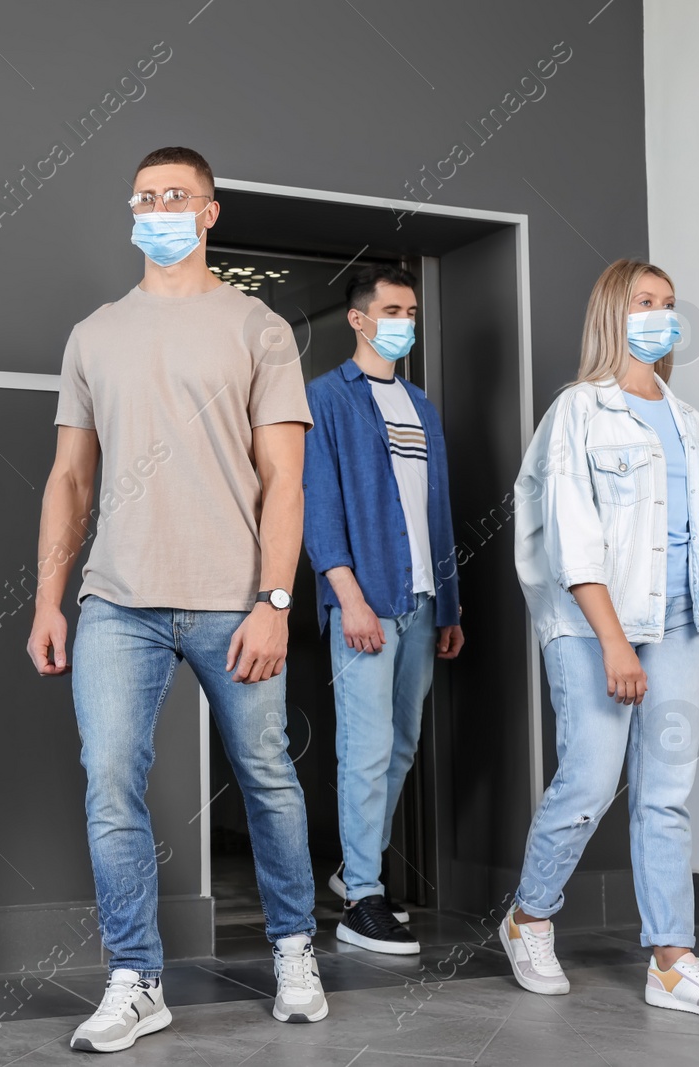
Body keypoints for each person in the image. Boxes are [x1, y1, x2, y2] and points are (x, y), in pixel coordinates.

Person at [28, 146, 328, 1053]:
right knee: (111, 780)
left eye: (176, 196)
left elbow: (286, 480)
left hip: (234, 599)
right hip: (117, 599)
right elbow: (69, 480)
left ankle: (293, 948)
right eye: (144, 196)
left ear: (209, 212)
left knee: (269, 777)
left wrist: (275, 600)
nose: (158, 207)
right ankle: (137, 977)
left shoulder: (258, 329)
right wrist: (50, 598)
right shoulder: (93, 334)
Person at [499, 258, 699, 1023]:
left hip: (679, 625)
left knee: (667, 792)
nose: (660, 314)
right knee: (588, 776)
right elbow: (572, 540)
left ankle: (672, 960)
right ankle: (530, 916)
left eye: (669, 303)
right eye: (644, 301)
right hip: (590, 626)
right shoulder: (578, 411)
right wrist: (613, 641)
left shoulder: (694, 425)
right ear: (613, 313)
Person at [301, 265, 463, 956]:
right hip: (364, 605)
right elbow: (318, 504)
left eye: (412, 310)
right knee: (363, 751)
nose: (405, 321)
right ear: (359, 319)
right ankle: (362, 896)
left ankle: (351, 869)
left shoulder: (422, 407)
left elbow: (439, 512)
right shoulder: (326, 399)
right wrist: (350, 597)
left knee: (400, 745)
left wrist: (449, 603)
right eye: (392, 309)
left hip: (423, 603)